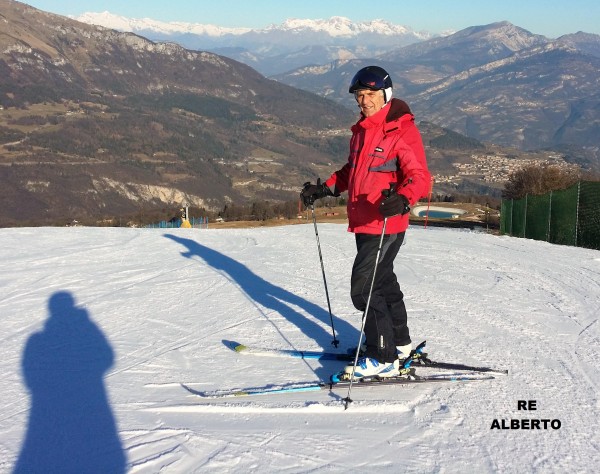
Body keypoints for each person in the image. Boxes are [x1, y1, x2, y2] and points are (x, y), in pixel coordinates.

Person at [301, 65, 431, 379]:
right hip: (364, 222)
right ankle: (399, 345)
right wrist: (325, 188)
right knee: (383, 283)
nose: (364, 100)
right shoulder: (362, 131)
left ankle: (382, 356)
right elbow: (352, 172)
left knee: (363, 289)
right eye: (360, 95)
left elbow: (420, 177)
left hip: (386, 224)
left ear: (385, 94)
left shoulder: (400, 130)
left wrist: (403, 198)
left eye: (370, 94)